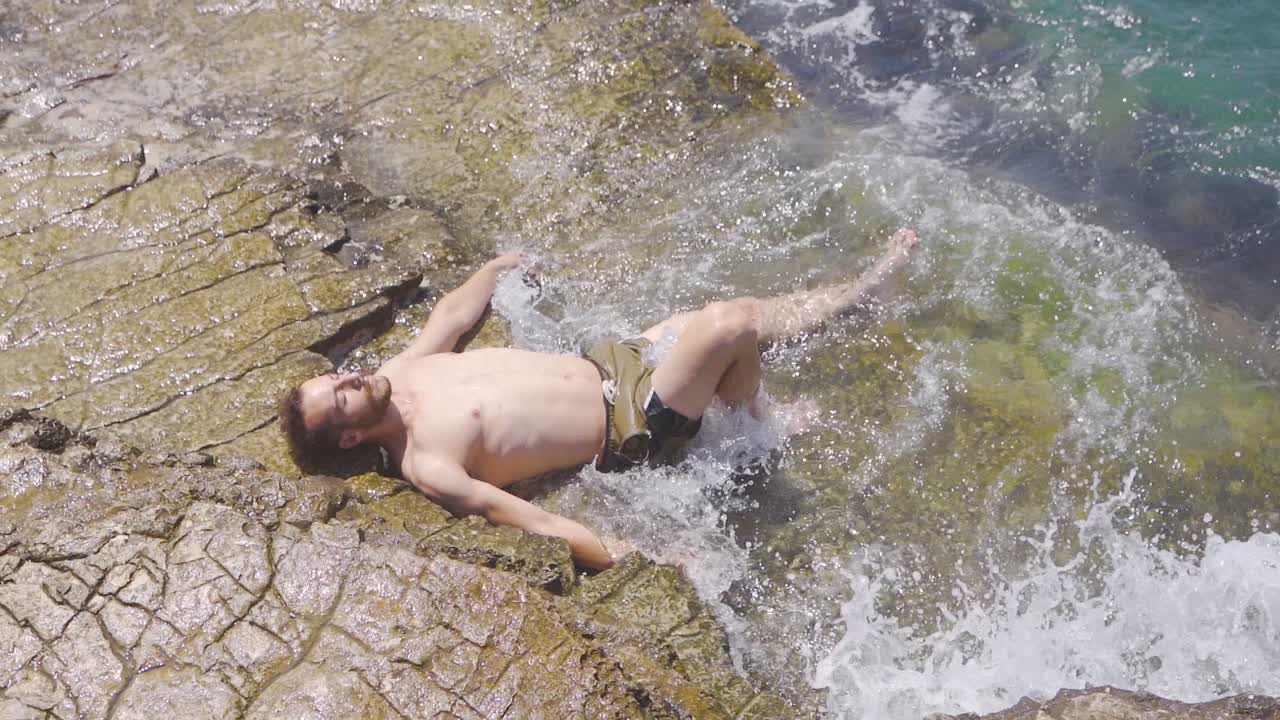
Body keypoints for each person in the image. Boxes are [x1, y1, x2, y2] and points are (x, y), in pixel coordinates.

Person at [279, 229, 920, 569]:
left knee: (742, 319)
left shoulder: (403, 370)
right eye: (336, 399)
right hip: (636, 419)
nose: (346, 380)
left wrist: (492, 272)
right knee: (731, 325)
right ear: (350, 437)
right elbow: (534, 523)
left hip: (619, 359)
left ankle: (859, 301)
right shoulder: (430, 465)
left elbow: (448, 318)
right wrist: (638, 557)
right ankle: (757, 422)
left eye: (335, 377)